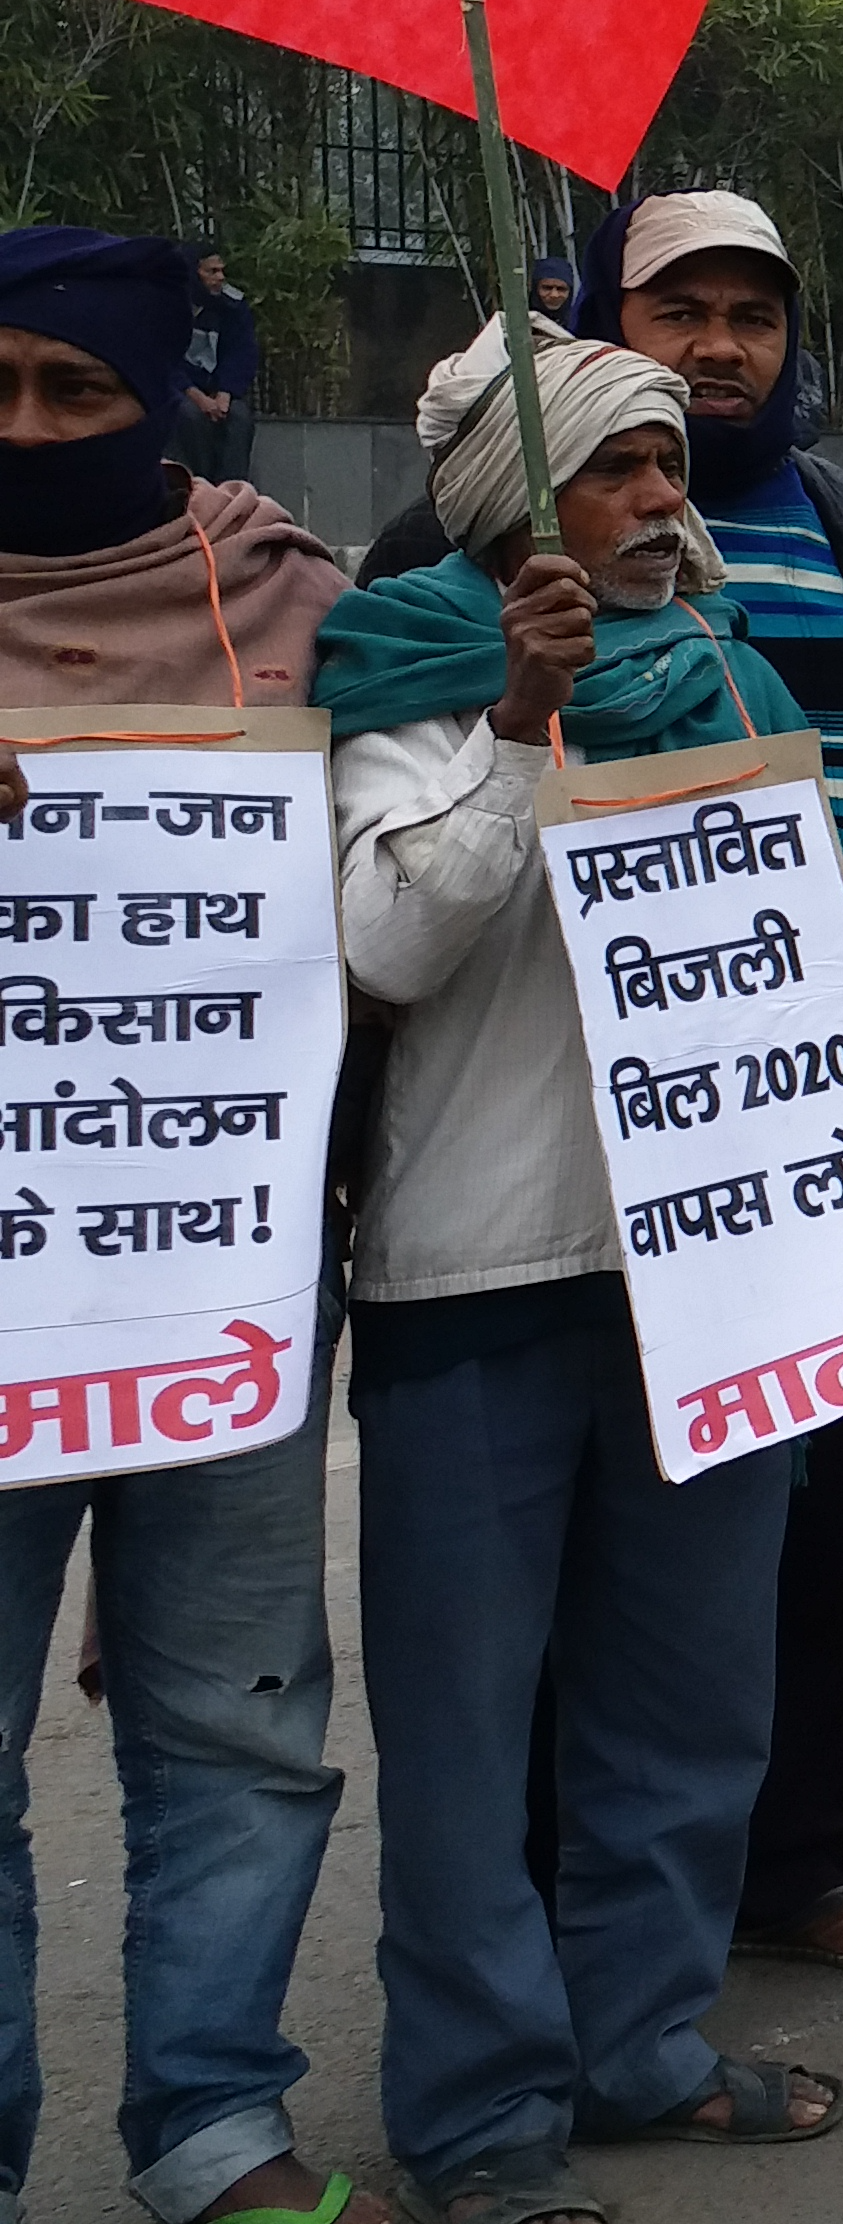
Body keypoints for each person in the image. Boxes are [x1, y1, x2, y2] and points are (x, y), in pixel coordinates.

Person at [354, 190, 843, 1980]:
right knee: (571, 1583)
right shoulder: (438, 579)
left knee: (798, 1523)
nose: (718, 348)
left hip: (798, 1117)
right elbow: (393, 906)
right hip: (529, 1184)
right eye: (677, 311)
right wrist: (518, 700)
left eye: (751, 316)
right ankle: (565, 1917)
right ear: (600, 323)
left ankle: (791, 1859)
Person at [320, 315, 843, 2216]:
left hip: (715, 1268)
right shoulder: (404, 672)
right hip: (479, 1272)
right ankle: (477, 2117)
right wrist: (518, 723)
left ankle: (643, 2042)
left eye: (666, 470)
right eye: (616, 467)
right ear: (504, 500)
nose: (655, 499)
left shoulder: (720, 663)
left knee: (689, 1697)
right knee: (467, 1737)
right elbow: (386, 941)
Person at [0, 231, 354, 2224]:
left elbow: (383, 922)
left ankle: (215, 2123)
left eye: (79, 394)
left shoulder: (295, 603)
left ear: (174, 401)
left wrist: (506, 684)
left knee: (237, 1730)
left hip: (221, 1281)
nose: (29, 432)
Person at [172, 241, 261, 482]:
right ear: (194, 272)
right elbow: (162, 358)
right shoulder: (169, 302)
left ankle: (231, 490)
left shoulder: (232, 305)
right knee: (188, 416)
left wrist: (226, 391)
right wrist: (195, 396)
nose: (220, 278)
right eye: (211, 272)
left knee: (239, 418)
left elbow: (242, 352)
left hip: (218, 388)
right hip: (180, 389)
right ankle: (197, 486)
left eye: (222, 271)